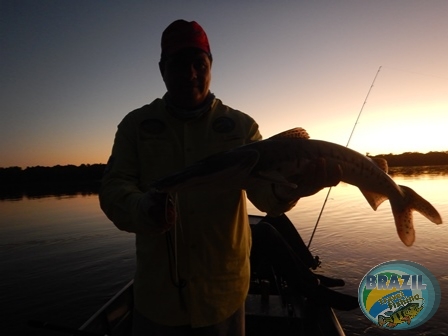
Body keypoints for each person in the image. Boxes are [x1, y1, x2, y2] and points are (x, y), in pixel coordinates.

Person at [99, 19, 357, 336]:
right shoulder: (135, 125)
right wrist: (143, 208)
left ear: (211, 65)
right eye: (179, 63)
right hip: (157, 300)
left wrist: (297, 189)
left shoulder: (241, 126)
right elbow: (114, 187)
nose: (190, 73)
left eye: (199, 63)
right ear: (162, 68)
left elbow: (265, 199)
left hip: (223, 297)